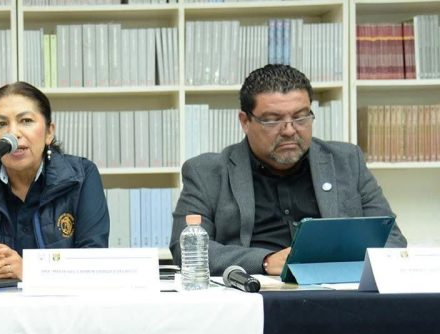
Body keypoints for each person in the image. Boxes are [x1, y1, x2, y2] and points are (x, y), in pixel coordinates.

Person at [170, 64, 407, 276]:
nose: (290, 130)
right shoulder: (207, 172)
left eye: (301, 117)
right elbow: (185, 248)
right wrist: (264, 261)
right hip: (254, 292)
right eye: (273, 120)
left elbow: (392, 239)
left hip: (336, 289)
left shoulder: (346, 161)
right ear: (245, 121)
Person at [0, 81, 109, 281]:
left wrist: (30, 270)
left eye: (26, 121)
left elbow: (94, 260)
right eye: (1, 124)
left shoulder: (81, 176)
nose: (13, 134)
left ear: (49, 132)